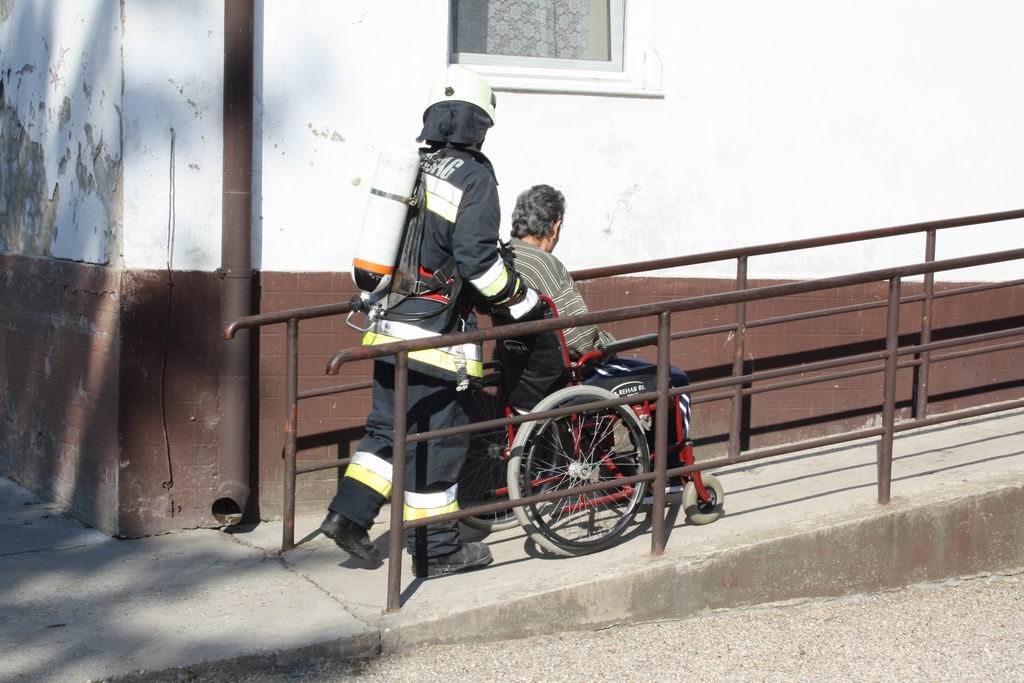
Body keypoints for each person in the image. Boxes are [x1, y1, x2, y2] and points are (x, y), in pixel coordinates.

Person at [321, 66, 541, 577]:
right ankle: (437, 549)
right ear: (478, 123)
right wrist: (521, 300)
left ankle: (347, 516)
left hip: (388, 326)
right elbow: (478, 263)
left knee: (387, 430)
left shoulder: (415, 168)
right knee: (439, 444)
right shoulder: (473, 176)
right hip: (435, 339)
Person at [505, 184, 691, 438]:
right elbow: (582, 342)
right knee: (673, 379)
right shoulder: (545, 266)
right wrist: (607, 343)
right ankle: (668, 462)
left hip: (523, 378)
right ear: (555, 227)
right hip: (569, 376)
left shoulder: (504, 259)